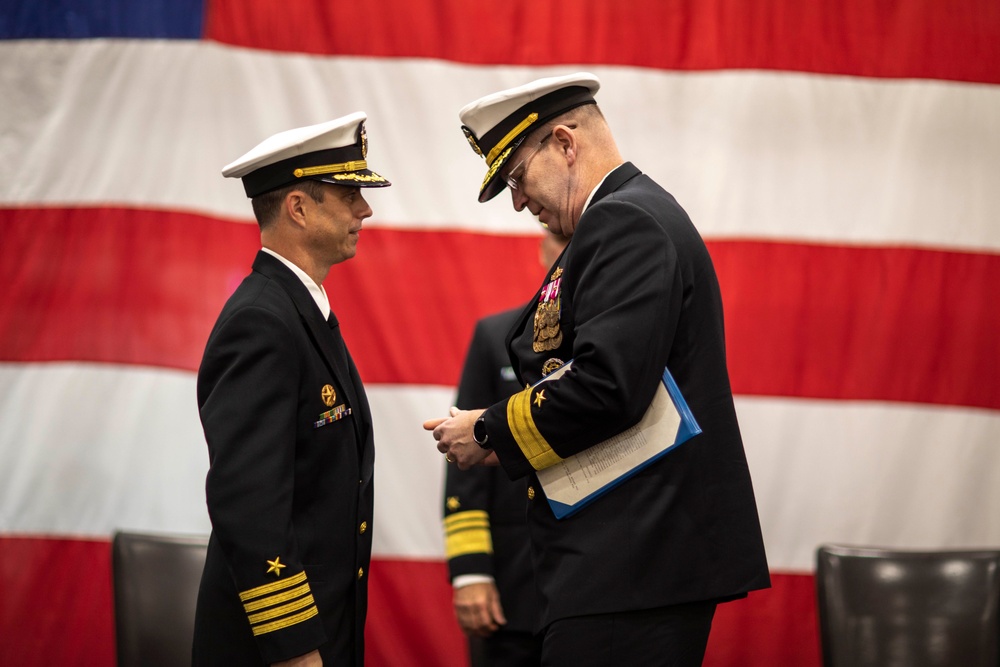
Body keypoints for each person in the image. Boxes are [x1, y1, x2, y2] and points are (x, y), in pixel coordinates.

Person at [427, 73, 770, 666]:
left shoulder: (624, 221)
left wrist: (487, 430)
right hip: (634, 563)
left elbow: (606, 386)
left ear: (564, 143)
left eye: (517, 178)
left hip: (633, 560)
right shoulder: (627, 216)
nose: (516, 201)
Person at [193, 112, 390, 667]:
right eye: (348, 193)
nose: (365, 209)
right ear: (299, 208)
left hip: (322, 629)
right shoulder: (262, 321)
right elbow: (249, 502)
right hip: (276, 647)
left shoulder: (301, 309)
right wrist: (293, 645)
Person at [444, 231, 568, 667]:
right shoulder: (496, 336)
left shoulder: (616, 345)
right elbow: (464, 460)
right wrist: (471, 571)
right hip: (511, 587)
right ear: (542, 250)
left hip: (595, 585)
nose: (571, 248)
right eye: (561, 237)